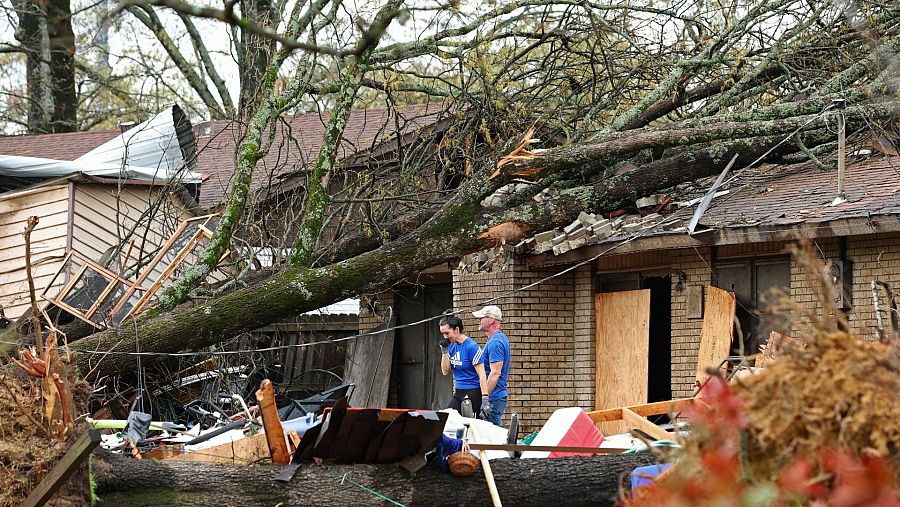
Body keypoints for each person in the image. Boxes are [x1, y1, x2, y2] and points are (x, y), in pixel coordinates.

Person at [439, 315, 488, 417]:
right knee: (447, 418)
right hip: (459, 391)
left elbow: (482, 374)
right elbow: (445, 371)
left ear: (456, 329)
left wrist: (485, 398)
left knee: (469, 424)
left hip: (473, 391)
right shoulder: (451, 345)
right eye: (443, 334)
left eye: (447, 333)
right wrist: (444, 352)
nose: (445, 337)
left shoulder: (471, 347)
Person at [472, 305, 510, 426]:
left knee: (491, 439)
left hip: (494, 398)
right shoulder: (496, 339)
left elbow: (495, 373)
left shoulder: (495, 343)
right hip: (495, 397)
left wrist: (484, 399)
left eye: (482, 317)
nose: (479, 320)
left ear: (491, 320)